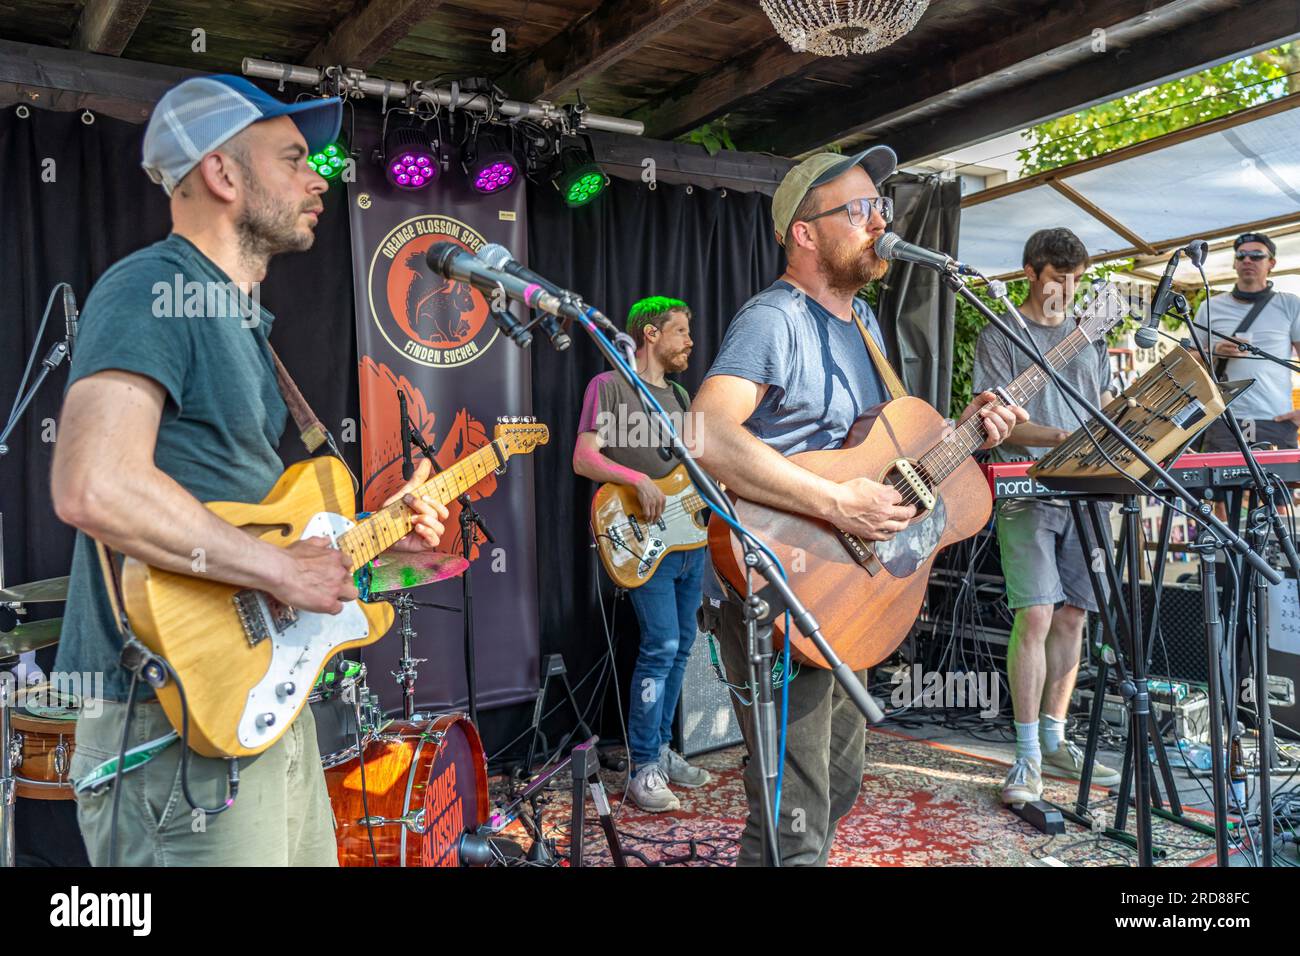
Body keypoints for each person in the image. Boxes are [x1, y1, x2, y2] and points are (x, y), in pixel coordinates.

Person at [49, 75, 449, 866]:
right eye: (295, 157)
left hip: (253, 702)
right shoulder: (154, 287)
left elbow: (252, 528)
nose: (318, 179)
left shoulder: (241, 324)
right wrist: (278, 567)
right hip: (164, 720)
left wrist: (380, 545)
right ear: (222, 175)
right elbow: (92, 484)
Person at [691, 148, 1024, 865]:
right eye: (861, 210)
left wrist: (967, 432)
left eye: (882, 208)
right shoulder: (774, 319)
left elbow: (888, 456)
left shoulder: (866, 325)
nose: (881, 223)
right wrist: (836, 500)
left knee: (835, 787)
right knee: (795, 816)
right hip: (781, 584)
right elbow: (707, 434)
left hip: (849, 592)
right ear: (805, 233)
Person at [972, 227, 1121, 805]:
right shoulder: (1002, 334)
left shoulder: (1089, 337)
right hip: (1025, 491)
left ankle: (1057, 742)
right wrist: (1062, 437)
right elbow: (994, 422)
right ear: (1031, 273)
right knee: (1034, 616)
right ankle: (1027, 754)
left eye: (1076, 279)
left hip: (1087, 494)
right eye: (1059, 278)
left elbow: (1104, 403)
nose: (1067, 289)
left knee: (1072, 620)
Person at [573, 297, 711, 811]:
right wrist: (636, 480)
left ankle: (661, 748)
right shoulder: (608, 387)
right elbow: (584, 457)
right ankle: (643, 768)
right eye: (680, 332)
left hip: (687, 542)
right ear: (650, 334)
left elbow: (691, 472)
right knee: (661, 644)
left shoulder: (678, 395)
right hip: (639, 539)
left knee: (680, 647)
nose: (690, 343)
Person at [1194, 232, 1300, 451]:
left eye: (1256, 255)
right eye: (1241, 255)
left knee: (1277, 485)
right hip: (1224, 418)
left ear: (1271, 262)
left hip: (1276, 419)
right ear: (1234, 263)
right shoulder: (1210, 306)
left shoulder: (1290, 303)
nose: (1248, 260)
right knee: (1218, 486)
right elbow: (1186, 361)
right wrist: (1215, 351)